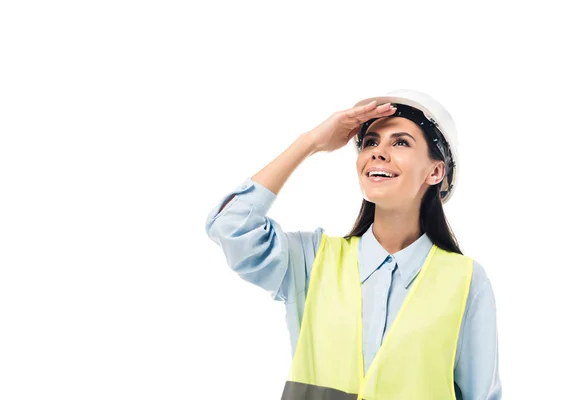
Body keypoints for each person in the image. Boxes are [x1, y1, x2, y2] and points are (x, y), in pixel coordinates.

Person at [205, 89, 502, 399]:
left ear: (436, 171)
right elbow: (230, 225)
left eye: (400, 142)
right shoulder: (312, 261)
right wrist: (311, 143)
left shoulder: (466, 281)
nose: (378, 151)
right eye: (370, 142)